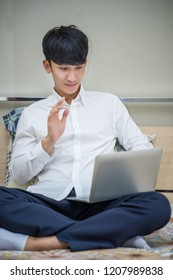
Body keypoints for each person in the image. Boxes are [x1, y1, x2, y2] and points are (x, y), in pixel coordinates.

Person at [0, 25, 171, 251]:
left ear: (85, 64)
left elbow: (139, 145)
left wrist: (130, 170)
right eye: (63, 68)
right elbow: (20, 176)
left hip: (103, 205)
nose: (72, 77)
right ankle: (113, 233)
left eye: (79, 68)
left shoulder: (109, 104)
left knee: (157, 204)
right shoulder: (32, 114)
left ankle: (48, 241)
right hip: (50, 204)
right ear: (47, 66)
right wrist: (49, 140)